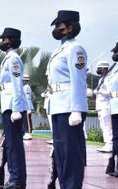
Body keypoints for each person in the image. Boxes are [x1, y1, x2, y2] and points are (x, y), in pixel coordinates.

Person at [48, 10, 88, 188]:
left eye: (59, 26)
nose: (56, 29)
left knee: (71, 154)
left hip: (69, 107)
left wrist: (77, 109)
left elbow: (78, 80)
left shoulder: (75, 49)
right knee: (61, 154)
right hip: (57, 106)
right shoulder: (60, 49)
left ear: (70, 27)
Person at [0, 27, 27, 189]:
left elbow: (17, 85)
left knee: (14, 144)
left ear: (12, 40)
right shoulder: (8, 58)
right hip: (7, 105)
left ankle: (17, 179)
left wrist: (16, 108)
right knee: (10, 143)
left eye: (4, 39)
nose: (2, 42)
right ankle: (14, 177)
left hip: (12, 106)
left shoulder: (14, 59)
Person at [93, 61, 113, 153]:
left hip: (106, 105)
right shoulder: (101, 79)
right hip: (100, 106)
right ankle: (107, 143)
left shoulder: (109, 79)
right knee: (103, 126)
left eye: (100, 68)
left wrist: (100, 92)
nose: (98, 70)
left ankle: (110, 144)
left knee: (107, 126)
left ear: (105, 68)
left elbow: (110, 93)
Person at [106, 42, 118, 177]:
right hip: (114, 106)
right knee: (116, 137)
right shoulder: (114, 69)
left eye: (116, 52)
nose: (114, 55)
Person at [22, 74, 34, 140]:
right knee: (25, 120)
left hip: (27, 106)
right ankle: (26, 132)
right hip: (25, 106)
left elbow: (28, 98)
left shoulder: (26, 87)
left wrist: (28, 107)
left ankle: (28, 132)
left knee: (27, 120)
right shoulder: (24, 87)